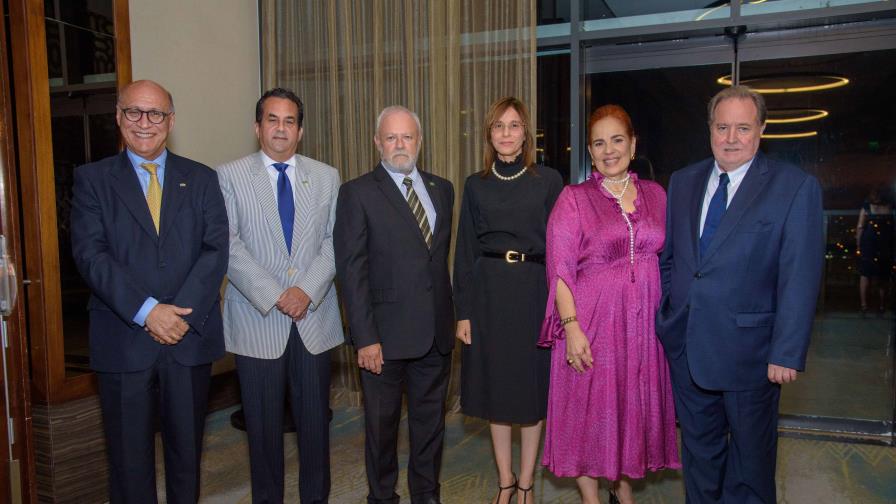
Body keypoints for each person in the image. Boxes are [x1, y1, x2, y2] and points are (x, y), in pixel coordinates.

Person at [656, 85, 824, 503]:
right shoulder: (682, 181)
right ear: (710, 129)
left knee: (750, 465)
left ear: (761, 130)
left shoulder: (793, 187)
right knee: (699, 456)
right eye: (722, 127)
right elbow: (672, 259)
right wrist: (669, 314)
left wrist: (786, 351)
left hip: (752, 354)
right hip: (689, 347)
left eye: (743, 128)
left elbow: (799, 276)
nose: (731, 138)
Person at [70, 79, 229, 503]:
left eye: (155, 113)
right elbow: (91, 255)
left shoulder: (202, 178)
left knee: (187, 455)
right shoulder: (92, 180)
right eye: (134, 112)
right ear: (118, 118)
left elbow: (215, 250)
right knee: (128, 461)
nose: (145, 123)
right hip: (123, 341)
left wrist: (178, 317)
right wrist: (147, 311)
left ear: (170, 120)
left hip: (187, 339)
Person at [539, 104, 680, 504]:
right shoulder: (574, 198)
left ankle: (624, 491)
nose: (609, 149)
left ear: (633, 144)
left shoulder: (656, 195)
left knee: (627, 408)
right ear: (590, 151)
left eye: (617, 140)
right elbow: (560, 269)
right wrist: (571, 327)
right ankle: (591, 499)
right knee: (589, 412)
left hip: (643, 327)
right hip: (592, 322)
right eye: (599, 143)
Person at [216, 88, 343, 503]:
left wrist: (305, 290)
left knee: (315, 430)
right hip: (258, 321)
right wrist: (275, 294)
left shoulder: (326, 176)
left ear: (300, 130)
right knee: (263, 432)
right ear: (257, 127)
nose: (281, 128)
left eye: (289, 121)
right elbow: (229, 246)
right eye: (273, 119)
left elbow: (334, 242)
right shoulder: (230, 176)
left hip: (314, 319)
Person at [334, 106, 455, 504]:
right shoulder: (357, 193)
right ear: (377, 143)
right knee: (381, 432)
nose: (400, 145)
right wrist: (364, 338)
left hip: (434, 336)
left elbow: (436, 263)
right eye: (391, 137)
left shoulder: (442, 189)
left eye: (407, 137)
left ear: (419, 141)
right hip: (382, 341)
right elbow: (352, 271)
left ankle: (427, 496)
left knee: (430, 429)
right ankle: (382, 498)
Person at [453, 97, 561, 504]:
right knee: (498, 394)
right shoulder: (475, 183)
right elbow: (464, 251)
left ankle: (528, 483)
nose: (506, 133)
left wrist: (560, 307)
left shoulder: (548, 180)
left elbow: (560, 247)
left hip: (534, 291)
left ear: (526, 133)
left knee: (530, 395)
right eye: (498, 126)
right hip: (488, 295)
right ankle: (504, 480)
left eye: (514, 126)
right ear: (489, 133)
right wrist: (462, 312)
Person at [856, 186, 893, 316]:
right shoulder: (890, 206)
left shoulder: (867, 206)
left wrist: (858, 244)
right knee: (883, 275)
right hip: (886, 243)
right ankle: (882, 305)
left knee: (865, 274)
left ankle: (864, 306)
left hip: (869, 242)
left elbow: (860, 226)